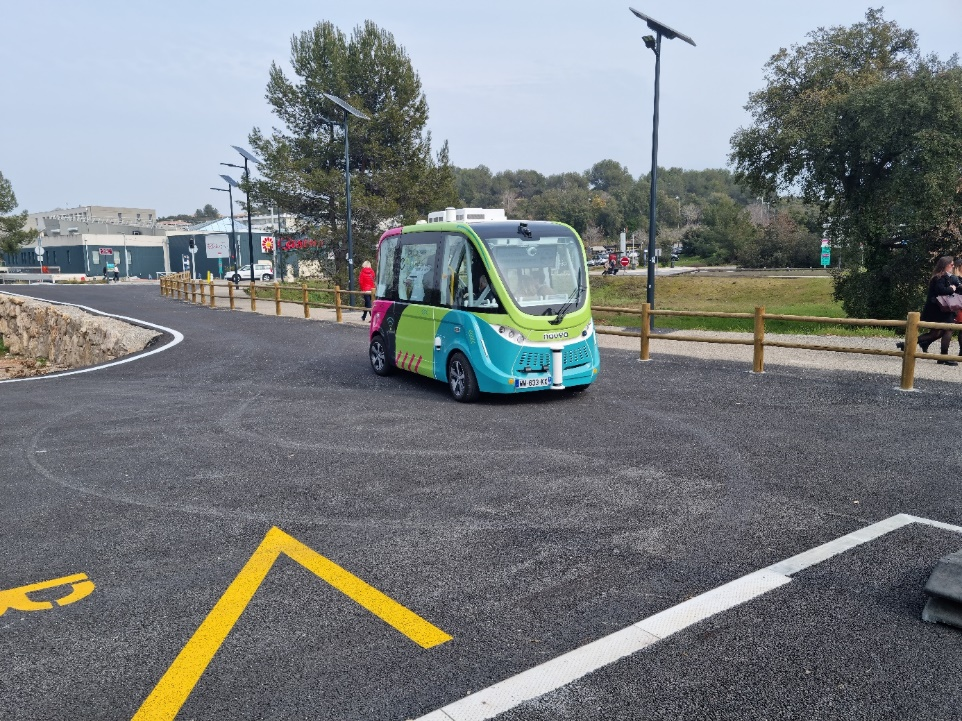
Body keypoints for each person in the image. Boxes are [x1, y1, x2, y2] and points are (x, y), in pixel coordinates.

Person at [899, 255, 959, 366]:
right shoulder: (939, 277)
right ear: (945, 265)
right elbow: (940, 290)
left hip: (942, 310)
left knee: (935, 333)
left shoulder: (947, 276)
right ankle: (943, 357)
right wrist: (951, 289)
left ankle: (906, 345)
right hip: (939, 310)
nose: (953, 266)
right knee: (948, 330)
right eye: (951, 264)